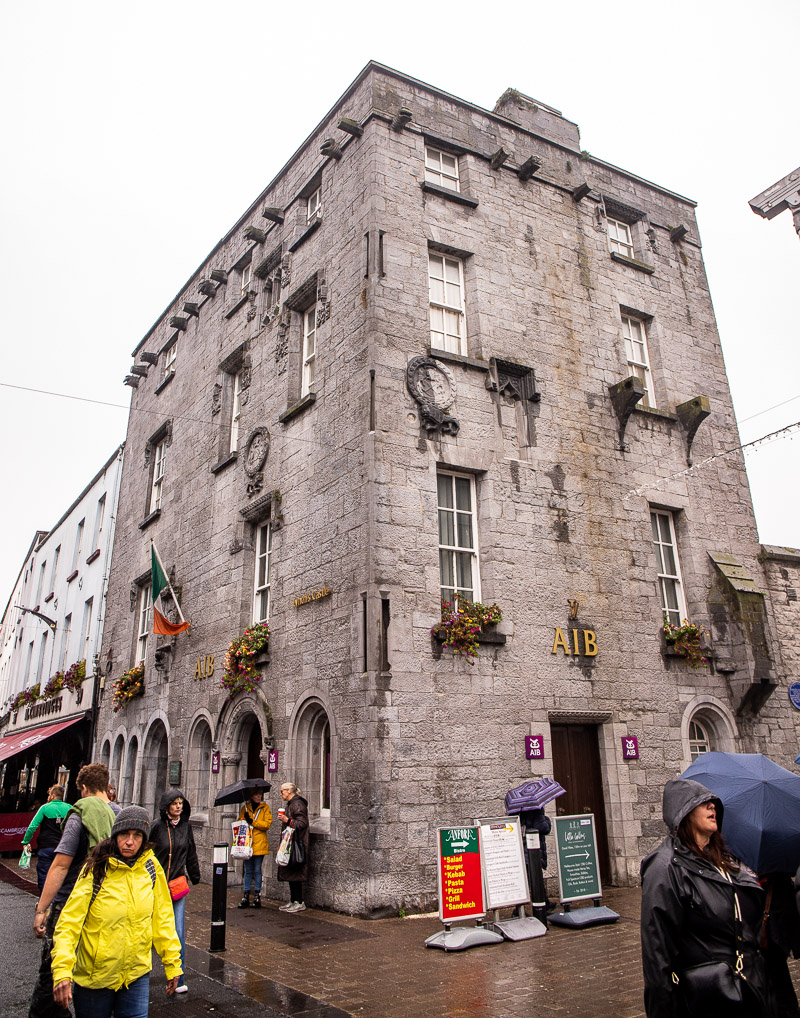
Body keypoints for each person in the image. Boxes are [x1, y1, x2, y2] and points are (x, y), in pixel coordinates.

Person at [641, 777, 767, 1017]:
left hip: (749, 987)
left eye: (713, 803)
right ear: (684, 811)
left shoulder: (723, 859)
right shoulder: (665, 867)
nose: (712, 807)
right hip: (709, 994)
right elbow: (657, 954)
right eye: (704, 802)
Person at [51, 806, 182, 1016]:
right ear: (115, 836)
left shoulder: (150, 867)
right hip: (96, 980)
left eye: (137, 836)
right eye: (124, 835)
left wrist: (173, 963)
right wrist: (62, 970)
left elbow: (163, 918)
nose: (130, 842)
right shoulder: (96, 870)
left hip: (135, 976)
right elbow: (69, 924)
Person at [29, 762, 121, 1018]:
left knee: (50, 980)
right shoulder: (120, 814)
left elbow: (60, 865)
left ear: (82, 788)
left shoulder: (81, 812)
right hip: (107, 902)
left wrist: (41, 909)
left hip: (71, 900)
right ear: (105, 784)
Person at [149, 788, 201, 994]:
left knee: (178, 933)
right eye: (175, 803)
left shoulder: (186, 827)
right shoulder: (156, 827)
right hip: (155, 886)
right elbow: (146, 853)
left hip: (177, 885)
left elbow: (191, 851)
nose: (178, 806)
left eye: (181, 803)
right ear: (166, 806)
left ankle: (178, 979)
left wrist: (195, 875)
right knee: (148, 931)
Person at [21, 785, 71, 891]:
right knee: (63, 873)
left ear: (52, 796)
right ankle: (58, 899)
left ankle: (44, 900)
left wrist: (25, 841)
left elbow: (32, 827)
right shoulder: (69, 808)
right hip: (64, 847)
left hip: (46, 846)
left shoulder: (45, 808)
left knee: (44, 873)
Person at [277, 782, 309, 913]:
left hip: (297, 844)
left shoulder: (297, 804)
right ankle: (293, 900)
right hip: (290, 843)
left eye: (282, 791)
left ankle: (299, 901)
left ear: (289, 791)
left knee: (296, 872)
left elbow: (302, 823)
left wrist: (287, 820)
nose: (281, 794)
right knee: (291, 872)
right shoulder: (291, 804)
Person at [237, 788, 273, 909]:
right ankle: (246, 895)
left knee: (257, 870)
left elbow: (266, 825)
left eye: (260, 794)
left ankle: (257, 895)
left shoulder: (265, 808)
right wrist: (243, 820)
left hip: (259, 843)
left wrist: (253, 821)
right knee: (247, 870)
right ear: (251, 796)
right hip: (248, 844)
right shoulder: (245, 808)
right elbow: (240, 824)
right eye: (256, 794)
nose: (259, 796)